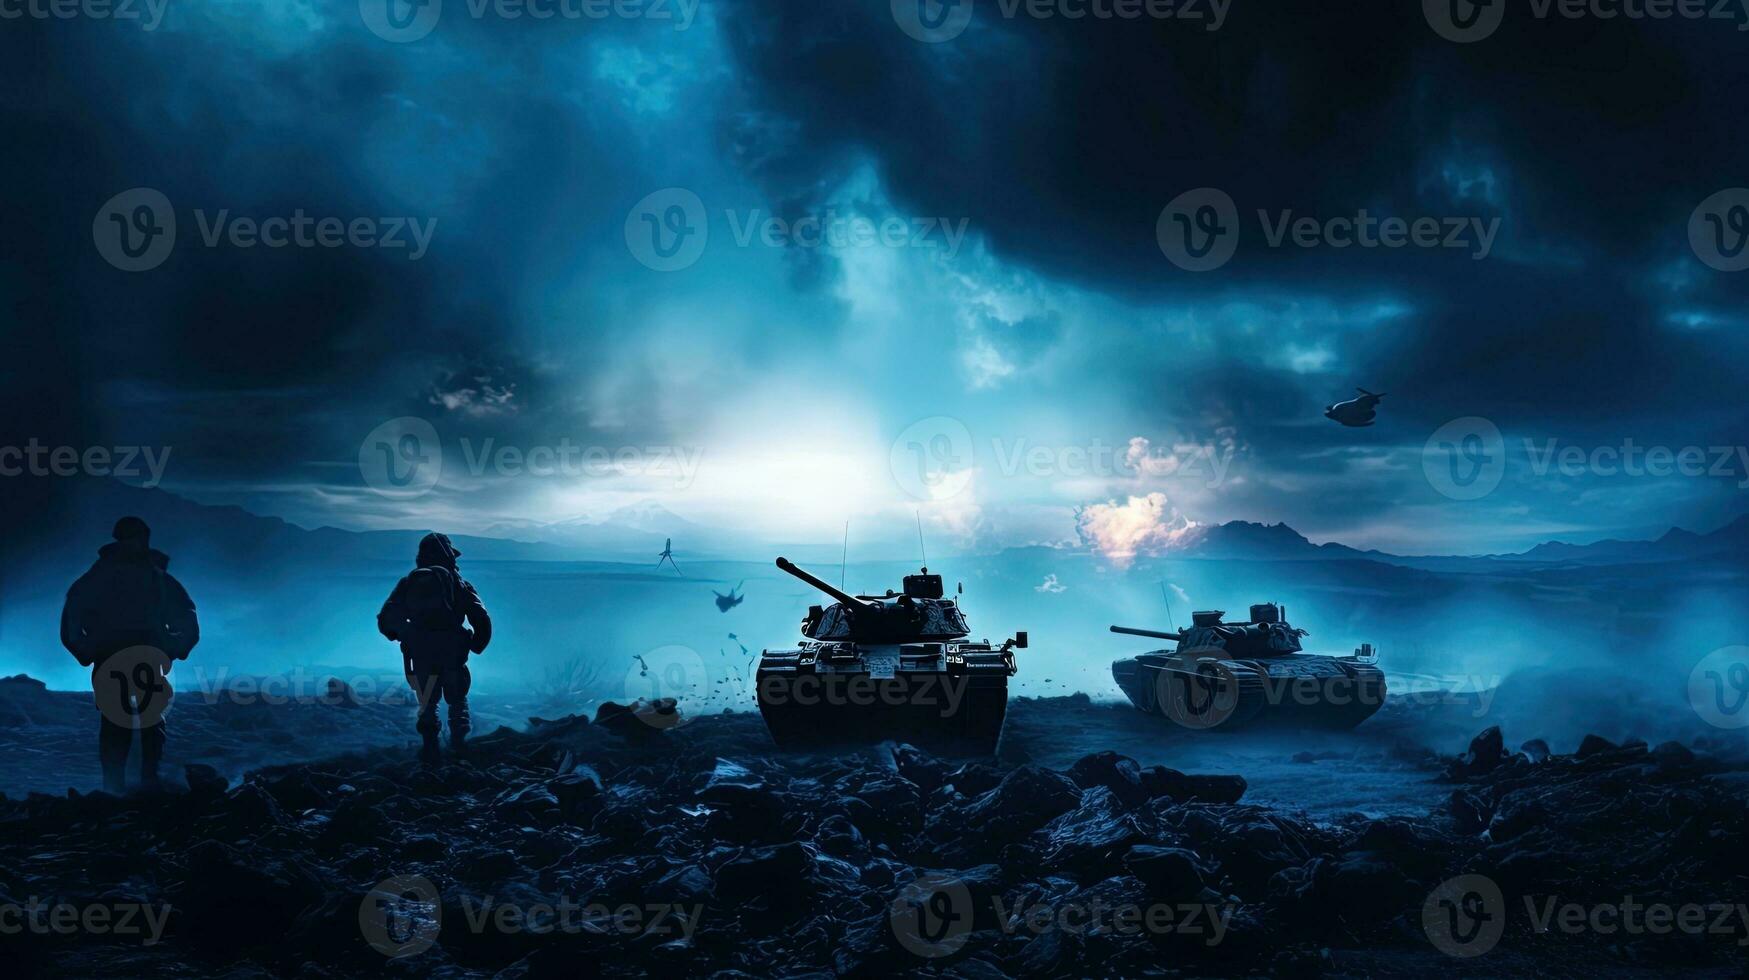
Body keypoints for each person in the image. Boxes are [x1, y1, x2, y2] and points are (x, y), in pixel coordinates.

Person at [60, 516, 200, 795]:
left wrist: (86, 651)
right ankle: (132, 787)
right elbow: (186, 619)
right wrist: (175, 648)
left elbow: (72, 621)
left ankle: (128, 786)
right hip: (136, 656)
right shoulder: (154, 578)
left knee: (132, 724)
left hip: (124, 657)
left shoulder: (98, 578)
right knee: (134, 723)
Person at [377, 532, 492, 761]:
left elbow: (386, 618)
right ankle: (459, 748)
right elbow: (480, 616)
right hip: (452, 650)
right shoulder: (459, 583)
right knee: (457, 700)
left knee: (427, 702)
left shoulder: (408, 582)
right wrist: (476, 644)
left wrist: (404, 634)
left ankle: (431, 750)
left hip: (420, 651)